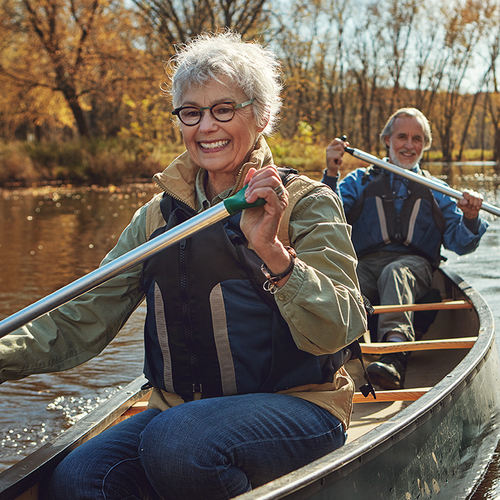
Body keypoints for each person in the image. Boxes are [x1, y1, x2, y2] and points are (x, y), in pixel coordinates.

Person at [0, 32, 367, 500]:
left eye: (224, 109)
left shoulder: (308, 203)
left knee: (177, 445)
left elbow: (342, 325)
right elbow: (81, 318)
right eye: (191, 112)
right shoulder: (156, 217)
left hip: (298, 407)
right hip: (178, 413)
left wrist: (272, 251)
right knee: (77, 480)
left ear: (262, 116)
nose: (206, 126)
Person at [322, 108, 487, 391]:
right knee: (344, 276)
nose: (409, 145)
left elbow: (461, 243)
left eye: (417, 139)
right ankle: (333, 354)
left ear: (425, 145)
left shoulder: (437, 190)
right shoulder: (358, 180)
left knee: (395, 272)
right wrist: (332, 173)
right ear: (387, 139)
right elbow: (326, 219)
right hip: (365, 264)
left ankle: (394, 355)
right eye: (402, 137)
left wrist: (471, 217)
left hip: (414, 267)